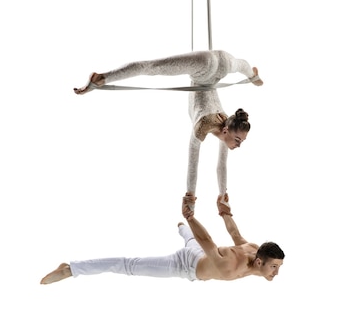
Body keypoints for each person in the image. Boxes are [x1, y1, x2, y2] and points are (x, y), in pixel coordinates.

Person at [73, 50, 264, 212]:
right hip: (205, 66)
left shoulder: (225, 122)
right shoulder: (203, 125)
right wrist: (190, 198)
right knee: (152, 67)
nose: (239, 145)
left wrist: (222, 194)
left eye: (241, 142)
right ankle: (102, 78)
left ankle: (252, 75)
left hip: (223, 64)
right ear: (226, 131)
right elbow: (192, 164)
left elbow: (221, 165)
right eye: (238, 140)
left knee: (240, 65)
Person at [40, 193, 284, 284]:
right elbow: (208, 241)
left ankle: (182, 229)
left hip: (201, 254)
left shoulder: (254, 249)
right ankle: (71, 269)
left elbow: (235, 234)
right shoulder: (230, 267)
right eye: (274, 267)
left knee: (191, 242)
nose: (276, 273)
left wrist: (225, 211)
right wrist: (190, 216)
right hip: (186, 265)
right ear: (260, 262)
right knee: (129, 266)